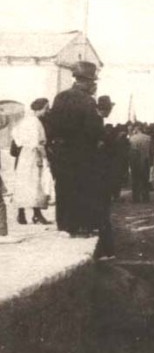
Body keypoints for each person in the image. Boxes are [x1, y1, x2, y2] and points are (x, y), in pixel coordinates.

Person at [48, 61, 104, 236]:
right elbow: (94, 130)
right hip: (82, 152)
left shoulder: (60, 97)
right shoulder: (88, 101)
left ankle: (64, 225)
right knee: (82, 188)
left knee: (63, 187)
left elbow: (51, 125)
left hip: (61, 152)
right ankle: (79, 225)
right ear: (88, 81)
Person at [12, 98, 53, 225]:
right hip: (34, 155)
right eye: (46, 108)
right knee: (36, 184)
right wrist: (45, 157)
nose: (47, 111)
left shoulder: (24, 121)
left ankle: (22, 214)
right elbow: (37, 143)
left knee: (23, 183)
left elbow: (15, 134)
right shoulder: (35, 122)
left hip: (24, 154)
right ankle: (37, 214)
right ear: (39, 109)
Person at [92, 96, 116, 260]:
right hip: (100, 176)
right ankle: (105, 250)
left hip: (99, 175)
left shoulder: (97, 121)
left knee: (101, 214)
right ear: (104, 109)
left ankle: (105, 250)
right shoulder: (96, 123)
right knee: (102, 214)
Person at [129, 124, 153, 203]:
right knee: (145, 179)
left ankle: (136, 198)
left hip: (135, 161)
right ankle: (145, 197)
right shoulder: (148, 138)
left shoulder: (132, 139)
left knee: (135, 179)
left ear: (136, 129)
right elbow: (152, 150)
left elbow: (131, 151)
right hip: (145, 160)